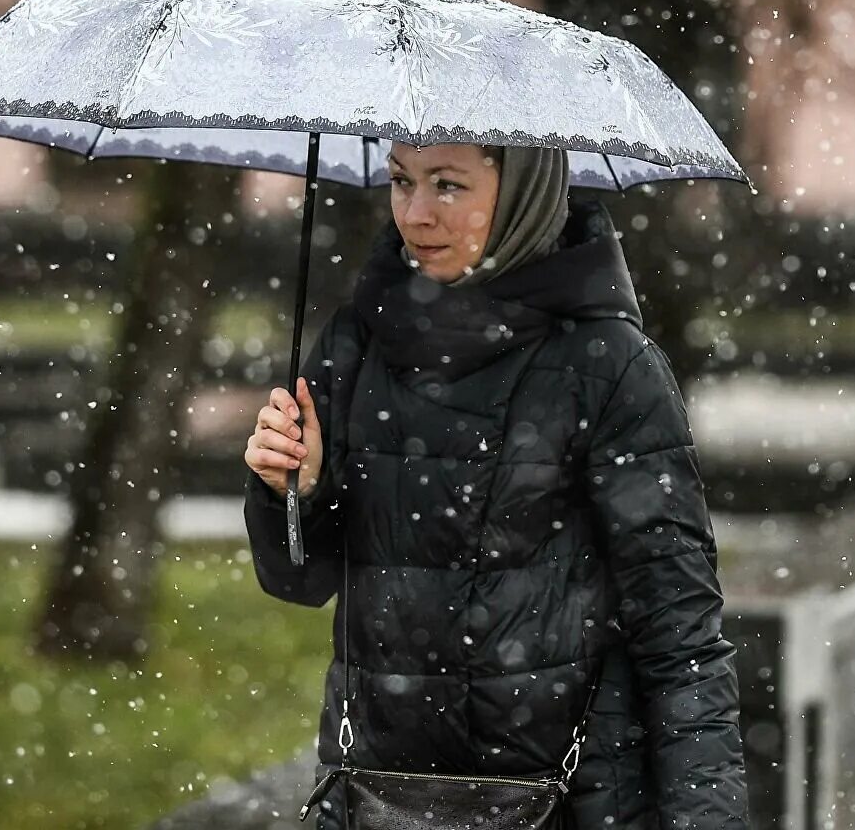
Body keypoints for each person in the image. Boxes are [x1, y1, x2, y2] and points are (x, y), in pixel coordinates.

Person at [243, 142, 749, 830]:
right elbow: (298, 580)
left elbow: (680, 638)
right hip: (378, 799)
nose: (415, 213)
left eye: (448, 185)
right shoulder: (357, 342)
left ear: (524, 194)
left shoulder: (607, 366)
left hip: (572, 800)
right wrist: (288, 494)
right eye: (401, 180)